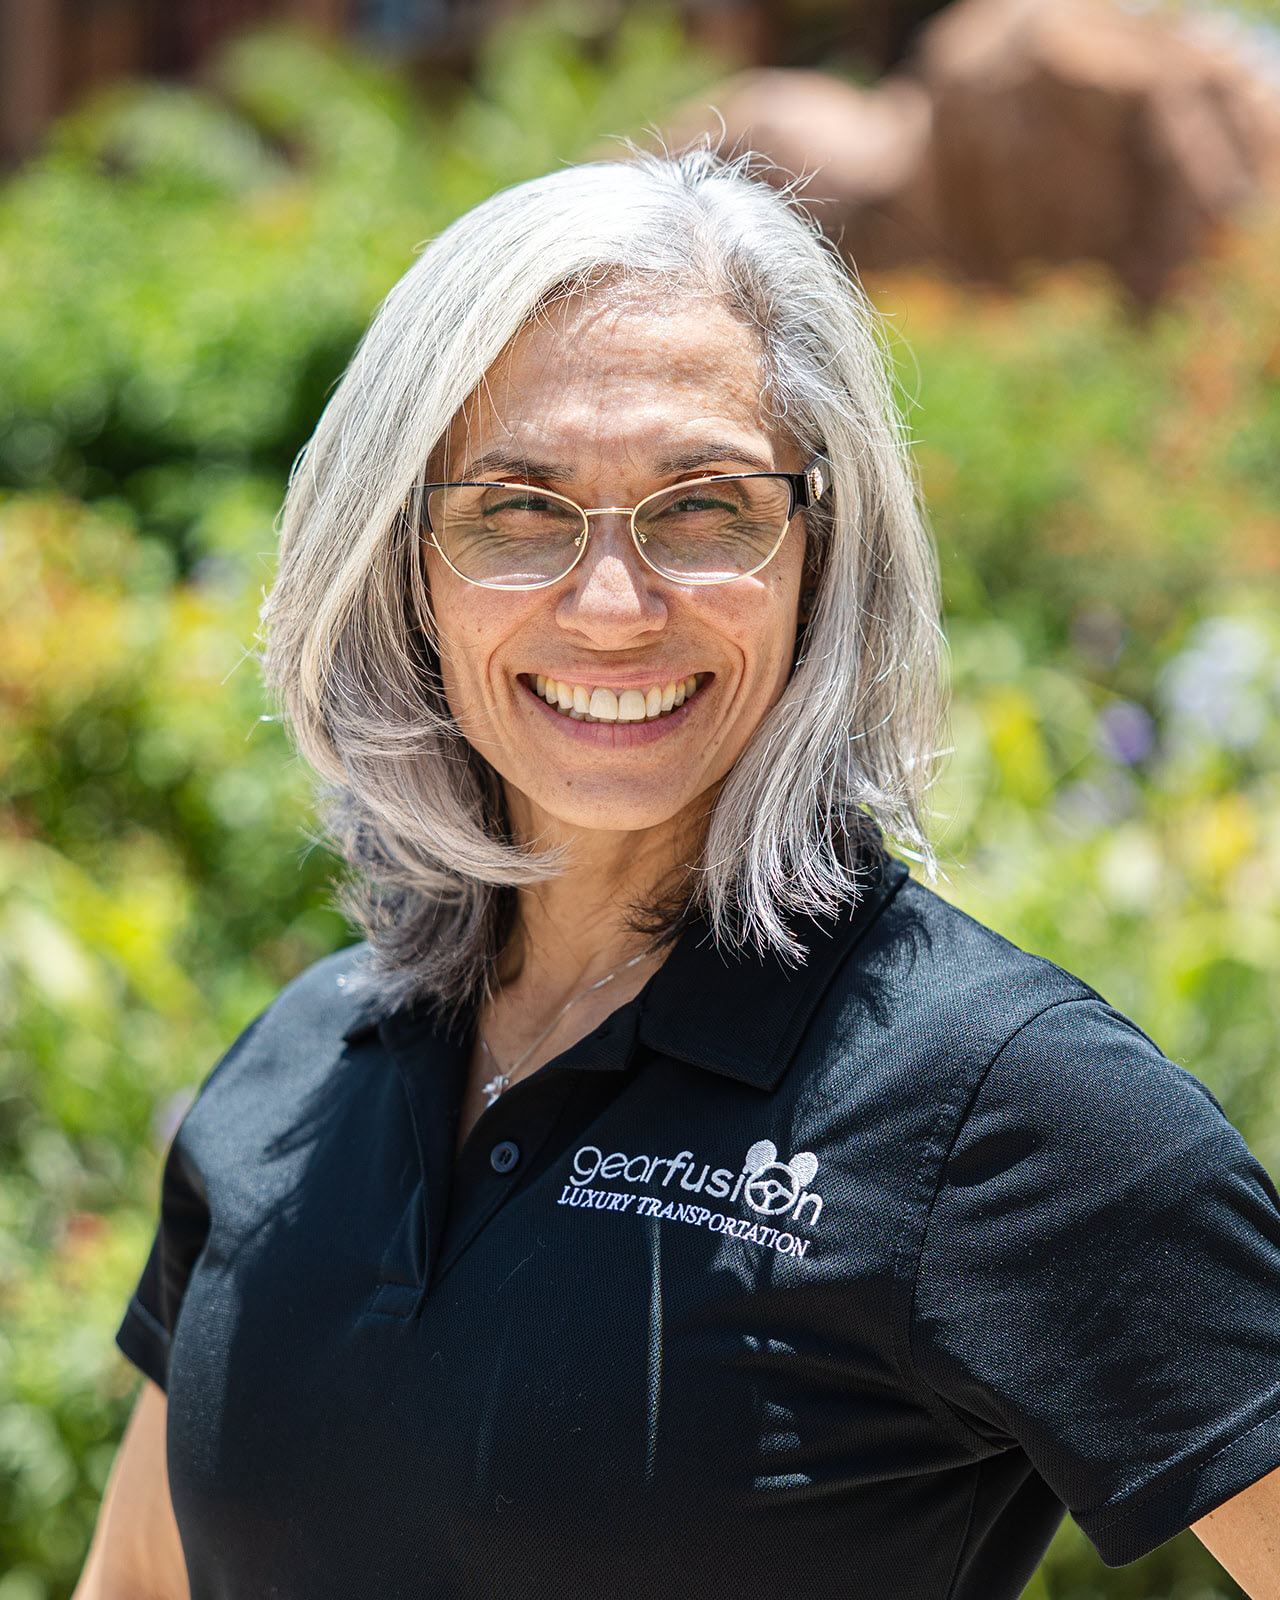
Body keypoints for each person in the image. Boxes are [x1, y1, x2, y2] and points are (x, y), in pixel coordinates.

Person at [74, 146, 1280, 1600]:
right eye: (514, 509)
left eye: (705, 506)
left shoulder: (1004, 1105)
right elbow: (139, 1581)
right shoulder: (297, 1065)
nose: (610, 604)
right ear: (407, 568)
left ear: (821, 555)